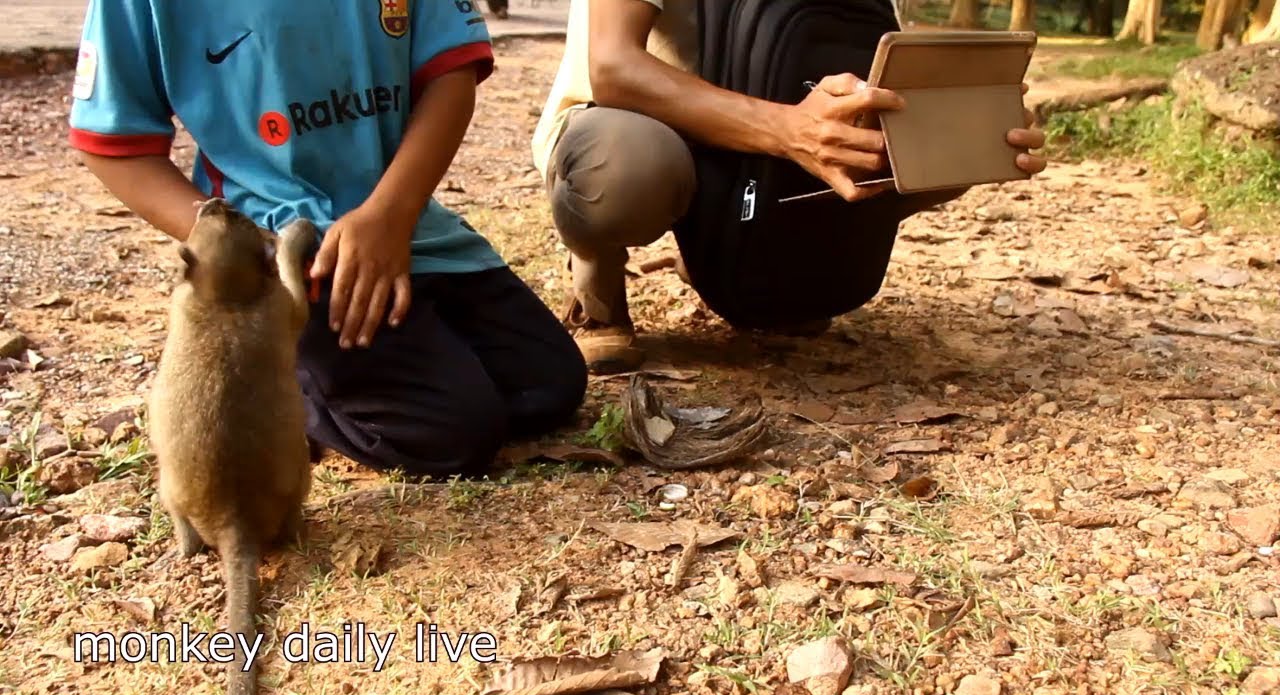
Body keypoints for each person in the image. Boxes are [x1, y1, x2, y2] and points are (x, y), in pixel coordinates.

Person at [69, 0, 587, 478]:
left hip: (409, 226)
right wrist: (249, 250)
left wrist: (391, 216)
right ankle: (282, 381)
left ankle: (393, 351)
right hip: (298, 260)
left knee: (548, 385)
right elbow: (114, 142)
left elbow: (451, 72)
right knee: (450, 435)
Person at [532, 0, 1050, 374]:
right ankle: (597, 281)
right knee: (626, 170)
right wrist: (790, 130)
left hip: (763, 146)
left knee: (929, 149)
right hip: (632, 125)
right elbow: (614, 66)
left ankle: (728, 247)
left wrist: (973, 128)